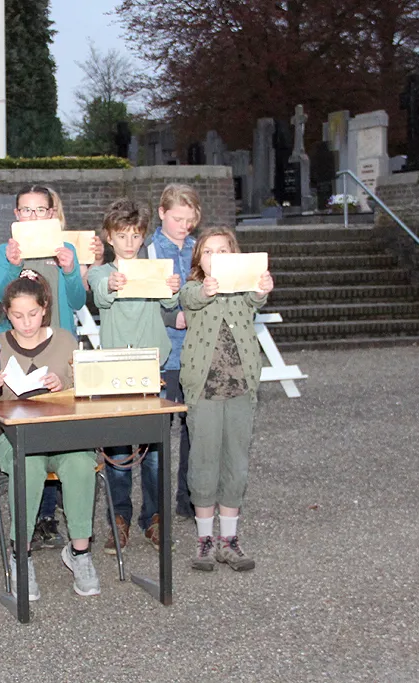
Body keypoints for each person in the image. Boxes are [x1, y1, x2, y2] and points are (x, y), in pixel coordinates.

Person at [0, 270, 101, 599]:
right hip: (11, 438)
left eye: (33, 314)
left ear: (45, 307)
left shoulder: (65, 339)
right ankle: (20, 553)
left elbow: (91, 391)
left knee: (81, 462)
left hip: (61, 433)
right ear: (6, 313)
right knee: (30, 463)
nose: (26, 323)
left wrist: (65, 384)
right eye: (18, 315)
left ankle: (80, 553)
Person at [0, 184, 87, 549]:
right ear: (16, 216)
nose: (33, 216)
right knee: (28, 424)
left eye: (40, 210)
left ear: (52, 213)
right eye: (26, 211)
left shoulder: (65, 249)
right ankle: (31, 519)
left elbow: (77, 299)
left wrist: (69, 269)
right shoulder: (6, 251)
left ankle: (51, 514)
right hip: (20, 352)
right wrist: (13, 266)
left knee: (59, 423)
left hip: (59, 348)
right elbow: (2, 297)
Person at [86, 199, 181, 555]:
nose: (129, 242)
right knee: (119, 449)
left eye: (135, 235)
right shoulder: (101, 272)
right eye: (122, 235)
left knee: (156, 450)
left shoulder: (154, 268)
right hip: (116, 368)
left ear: (143, 237)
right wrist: (111, 283)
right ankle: (118, 519)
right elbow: (100, 295)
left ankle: (155, 517)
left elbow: (171, 305)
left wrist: (171, 287)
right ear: (109, 237)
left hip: (154, 366)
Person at [178, 227, 274, 572]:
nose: (215, 257)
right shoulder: (193, 288)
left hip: (241, 387)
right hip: (203, 388)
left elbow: (256, 299)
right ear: (198, 260)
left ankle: (229, 540)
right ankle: (204, 541)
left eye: (223, 251)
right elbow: (191, 299)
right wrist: (206, 289)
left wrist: (262, 288)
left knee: (237, 461)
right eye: (208, 252)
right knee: (203, 462)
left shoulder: (243, 290)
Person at [147, 184, 203, 519]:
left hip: (196, 352)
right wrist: (172, 316)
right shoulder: (149, 250)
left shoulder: (200, 249)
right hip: (163, 351)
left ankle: (189, 498)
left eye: (190, 219)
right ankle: (154, 509)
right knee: (157, 436)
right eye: (177, 218)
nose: (184, 225)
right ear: (162, 213)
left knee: (194, 429)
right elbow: (140, 299)